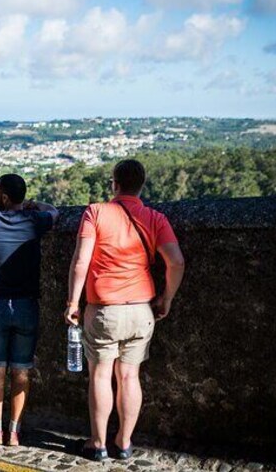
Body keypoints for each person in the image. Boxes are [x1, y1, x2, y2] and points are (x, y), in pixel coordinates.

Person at [64, 159, 185, 461]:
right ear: (141, 185)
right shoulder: (156, 218)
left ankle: (98, 444)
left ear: (114, 183)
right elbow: (176, 262)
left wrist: (72, 303)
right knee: (130, 376)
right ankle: (124, 442)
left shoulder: (96, 212)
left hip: (104, 310)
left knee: (101, 375)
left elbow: (81, 262)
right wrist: (166, 298)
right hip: (141, 310)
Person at [0, 174, 58, 446]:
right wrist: (34, 205)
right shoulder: (34, 221)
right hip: (27, 304)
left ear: (3, 196)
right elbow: (55, 212)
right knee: (21, 371)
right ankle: (14, 431)